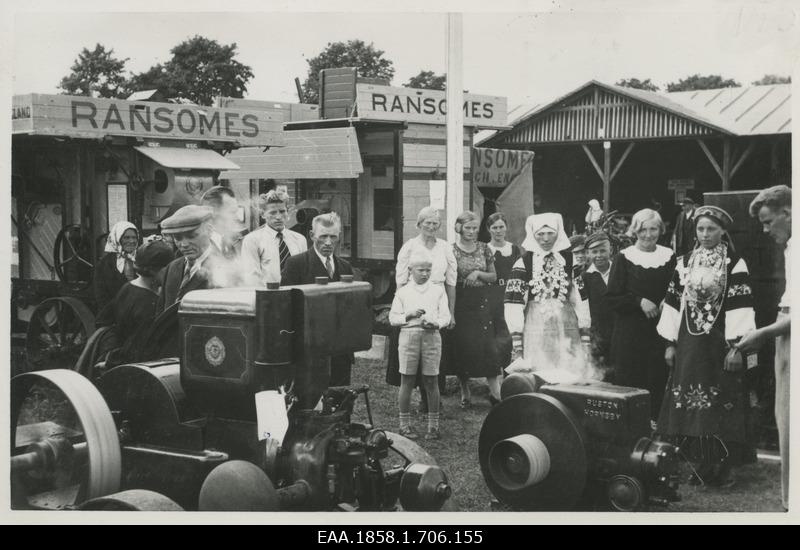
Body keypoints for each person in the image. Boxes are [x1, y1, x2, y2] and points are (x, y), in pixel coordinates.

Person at [656, 206, 756, 487]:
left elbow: (741, 306)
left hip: (719, 344)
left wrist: (737, 348)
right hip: (689, 344)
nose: (705, 234)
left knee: (719, 402)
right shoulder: (684, 262)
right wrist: (670, 344)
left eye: (711, 229)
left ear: (722, 230)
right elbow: (674, 304)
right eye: (700, 229)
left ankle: (721, 467)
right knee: (690, 403)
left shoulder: (735, 263)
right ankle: (699, 464)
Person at [737, 184, 791, 511]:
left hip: (787, 335)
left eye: (769, 222)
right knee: (785, 425)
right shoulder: (789, 246)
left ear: (788, 212)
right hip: (785, 337)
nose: (766, 229)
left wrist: (762, 334)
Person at [606, 208, 676, 420]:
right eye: (643, 229)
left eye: (653, 229)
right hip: (629, 336)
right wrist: (639, 302)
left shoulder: (669, 256)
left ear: (660, 230)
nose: (648, 234)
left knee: (657, 382)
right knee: (630, 388)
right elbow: (612, 297)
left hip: (659, 334)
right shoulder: (624, 257)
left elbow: (676, 288)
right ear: (635, 231)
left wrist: (668, 299)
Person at [504, 213, 590, 376]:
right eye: (540, 234)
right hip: (536, 325)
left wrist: (585, 333)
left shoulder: (570, 261)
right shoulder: (523, 263)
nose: (545, 238)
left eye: (550, 233)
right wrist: (517, 345)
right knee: (539, 370)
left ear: (558, 233)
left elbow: (580, 298)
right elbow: (513, 305)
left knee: (568, 369)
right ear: (533, 235)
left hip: (566, 323)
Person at [387, 207, 457, 403]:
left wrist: (451, 313)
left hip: (437, 300)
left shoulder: (445, 247)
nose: (432, 227)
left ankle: (430, 399)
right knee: (412, 349)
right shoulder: (409, 246)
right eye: (427, 223)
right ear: (419, 225)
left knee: (433, 350)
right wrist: (402, 307)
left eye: (435, 223)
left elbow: (451, 282)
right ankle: (412, 396)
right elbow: (400, 281)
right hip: (413, 299)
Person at [282, 212, 356, 386]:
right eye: (323, 236)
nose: (328, 242)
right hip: (309, 348)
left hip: (340, 350)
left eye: (333, 237)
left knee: (340, 399)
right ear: (312, 235)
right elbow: (287, 306)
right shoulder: (296, 265)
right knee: (310, 400)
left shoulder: (345, 267)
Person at [389, 249, 451, 440]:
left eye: (427, 270)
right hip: (408, 336)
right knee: (406, 380)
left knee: (431, 380)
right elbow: (393, 318)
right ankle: (404, 424)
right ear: (410, 270)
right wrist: (408, 315)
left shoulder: (438, 290)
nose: (424, 273)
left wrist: (436, 323)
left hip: (432, 336)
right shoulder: (403, 292)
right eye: (420, 270)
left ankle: (433, 426)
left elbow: (446, 316)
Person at [445, 211, 500, 409]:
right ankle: (465, 392)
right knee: (463, 347)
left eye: (475, 228)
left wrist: (478, 273)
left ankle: (496, 394)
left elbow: (493, 276)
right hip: (460, 302)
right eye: (467, 227)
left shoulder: (485, 248)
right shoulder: (450, 251)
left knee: (488, 347)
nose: (471, 232)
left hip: (481, 302)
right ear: (459, 228)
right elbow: (448, 279)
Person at [96, 239, 175, 367]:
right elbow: (137, 347)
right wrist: (112, 361)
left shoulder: (127, 288)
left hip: (114, 351)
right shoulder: (149, 303)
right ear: (156, 270)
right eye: (168, 268)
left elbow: (105, 321)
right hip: (132, 364)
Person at [156, 205, 220, 314]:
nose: (184, 244)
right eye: (178, 238)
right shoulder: (172, 267)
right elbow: (161, 314)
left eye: (192, 236)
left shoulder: (224, 268)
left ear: (209, 231)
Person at [241, 189, 307, 285]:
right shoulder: (252, 240)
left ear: (287, 212)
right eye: (273, 213)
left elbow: (304, 273)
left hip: (296, 294)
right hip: (268, 296)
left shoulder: (300, 239)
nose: (278, 217)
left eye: (282, 211)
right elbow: (252, 277)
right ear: (263, 214)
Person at [486, 212, 521, 375]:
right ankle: (494, 376)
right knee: (494, 337)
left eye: (501, 227)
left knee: (509, 335)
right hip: (492, 297)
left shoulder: (514, 249)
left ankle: (509, 377)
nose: (498, 231)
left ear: (506, 228)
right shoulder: (485, 249)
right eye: (494, 227)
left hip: (511, 297)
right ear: (489, 229)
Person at [579, 231, 615, 378]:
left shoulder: (619, 271)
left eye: (603, 250)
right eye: (594, 251)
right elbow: (583, 310)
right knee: (600, 376)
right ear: (588, 253)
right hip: (597, 336)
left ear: (610, 250)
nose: (599, 255)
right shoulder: (584, 277)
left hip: (619, 333)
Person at [95, 221, 139, 311]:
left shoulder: (142, 259)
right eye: (126, 238)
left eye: (134, 238)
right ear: (117, 239)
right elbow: (101, 296)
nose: (131, 241)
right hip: (115, 313)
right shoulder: (105, 264)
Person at [201, 186, 246, 260]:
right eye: (232, 212)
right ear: (213, 211)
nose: (237, 218)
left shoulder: (237, 240)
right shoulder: (196, 246)